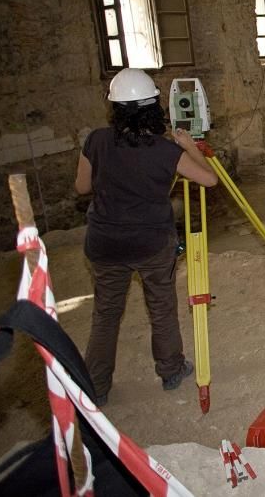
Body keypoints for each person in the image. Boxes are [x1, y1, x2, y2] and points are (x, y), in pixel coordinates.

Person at [75, 68, 218, 406]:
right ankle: (170, 370)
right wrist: (187, 146)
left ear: (115, 108)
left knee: (106, 313)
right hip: (151, 244)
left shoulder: (95, 139)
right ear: (155, 106)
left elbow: (82, 187)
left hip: (104, 242)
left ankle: (95, 386)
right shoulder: (165, 151)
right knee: (161, 306)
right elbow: (209, 180)